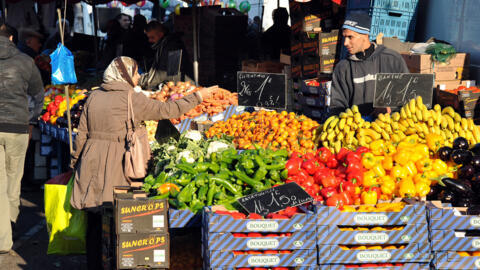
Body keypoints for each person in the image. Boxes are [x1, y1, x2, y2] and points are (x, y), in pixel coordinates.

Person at [70, 56, 213, 269]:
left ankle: (94, 264)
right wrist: (197, 97)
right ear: (125, 74)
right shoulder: (130, 98)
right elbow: (167, 111)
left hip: (90, 160)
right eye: (136, 72)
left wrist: (75, 164)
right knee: (119, 220)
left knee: (93, 219)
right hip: (119, 162)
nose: (138, 76)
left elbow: (81, 135)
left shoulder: (93, 96)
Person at [0, 24, 44, 254]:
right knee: (13, 179)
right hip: (17, 127)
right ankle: (10, 226)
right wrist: (31, 117)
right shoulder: (25, 61)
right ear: (11, 38)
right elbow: (38, 94)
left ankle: (2, 239)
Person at [330, 12, 409, 116]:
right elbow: (336, 107)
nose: (345, 43)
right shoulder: (342, 68)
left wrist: (390, 108)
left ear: (365, 35)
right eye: (344, 37)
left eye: (350, 37)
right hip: (357, 129)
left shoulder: (392, 59)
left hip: (391, 128)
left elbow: (408, 97)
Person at [140, 21, 193, 90]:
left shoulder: (173, 45)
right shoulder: (164, 44)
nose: (149, 40)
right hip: (175, 84)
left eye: (152, 37)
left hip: (182, 86)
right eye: (148, 37)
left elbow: (169, 72)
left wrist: (146, 82)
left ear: (161, 34)